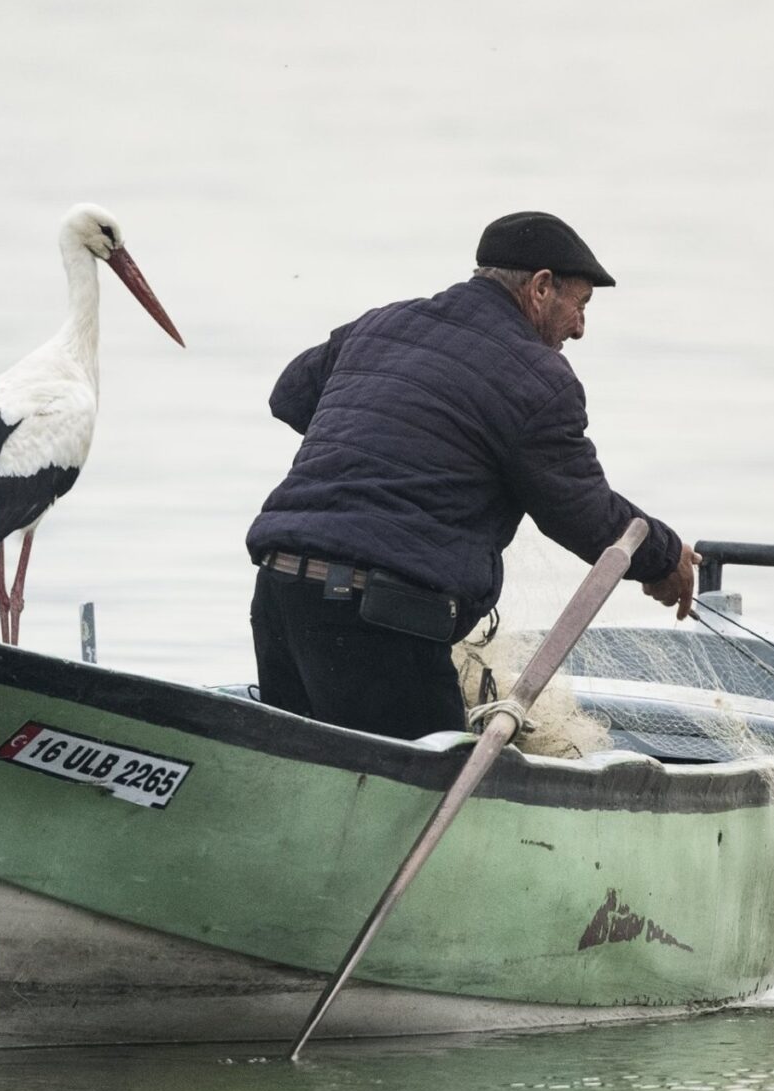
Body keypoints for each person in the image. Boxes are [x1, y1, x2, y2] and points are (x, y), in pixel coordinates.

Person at [245, 211, 700, 740]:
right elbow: (583, 513)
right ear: (541, 287)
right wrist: (664, 557)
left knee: (308, 782)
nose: (579, 327)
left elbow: (291, 394)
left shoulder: (382, 323)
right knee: (419, 801)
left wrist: (397, 438)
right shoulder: (538, 379)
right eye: (580, 305)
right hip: (381, 620)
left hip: (280, 594)